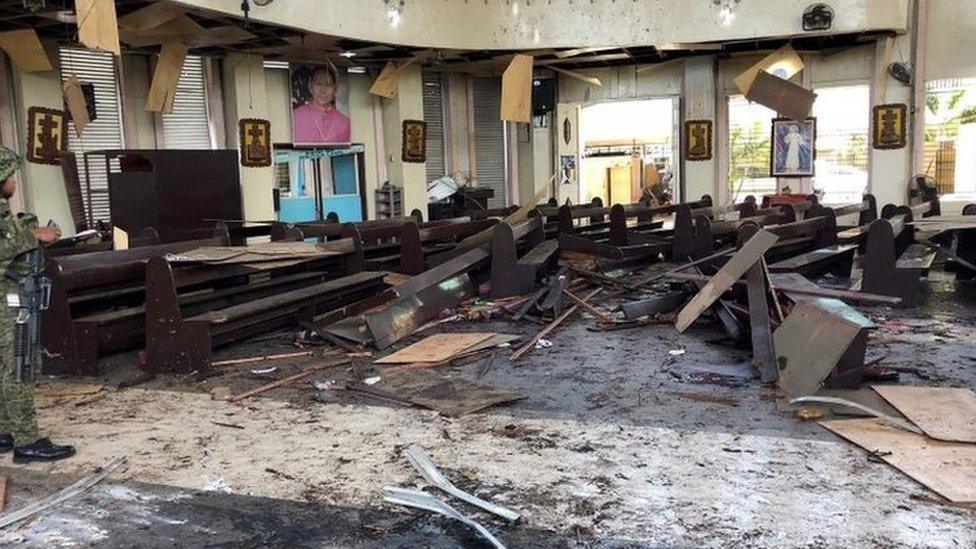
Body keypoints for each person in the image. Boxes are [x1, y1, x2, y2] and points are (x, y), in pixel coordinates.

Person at [0, 147, 74, 463]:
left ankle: (6, 432)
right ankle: (27, 442)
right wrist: (36, 234)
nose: (14, 182)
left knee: (5, 367)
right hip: (8, 302)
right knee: (20, 366)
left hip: (10, 296)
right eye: (11, 176)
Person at [292, 64, 352, 144]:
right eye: (319, 84)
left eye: (328, 85)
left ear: (335, 89)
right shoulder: (295, 116)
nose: (323, 90)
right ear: (310, 85)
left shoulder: (344, 122)